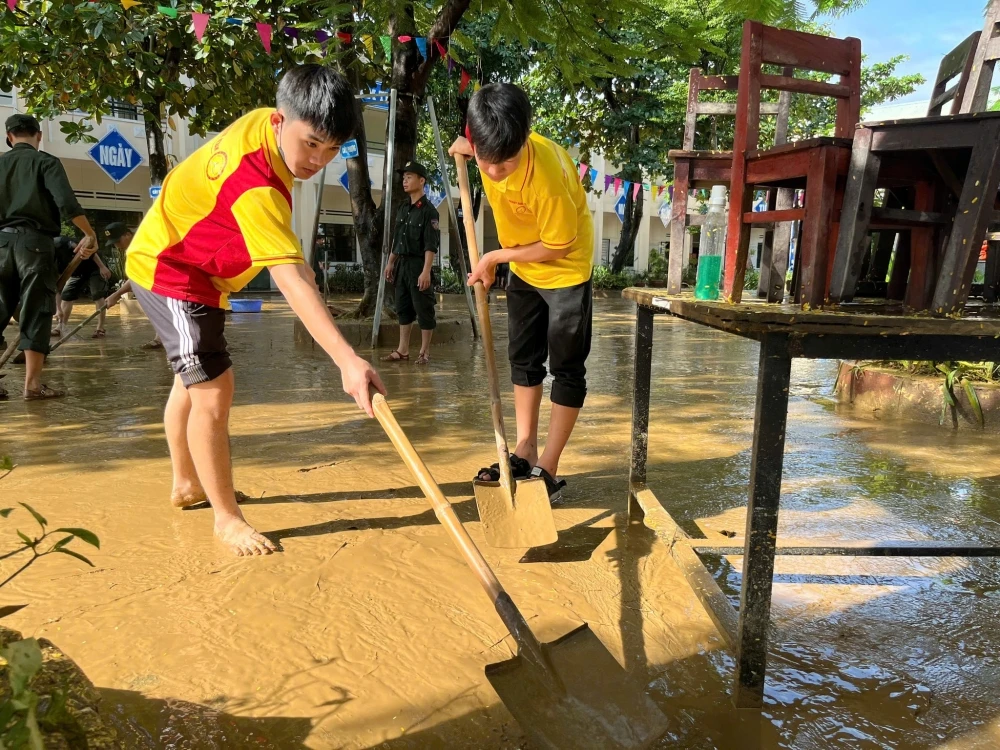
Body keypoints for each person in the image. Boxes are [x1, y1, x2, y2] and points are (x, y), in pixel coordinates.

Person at [125, 65, 385, 556]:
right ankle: (226, 520)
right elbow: (288, 282)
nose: (318, 160)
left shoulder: (268, 124)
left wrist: (299, 267)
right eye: (311, 144)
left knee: (193, 378)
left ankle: (187, 483)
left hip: (205, 269)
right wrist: (348, 362)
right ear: (283, 120)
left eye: (332, 150)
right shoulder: (257, 184)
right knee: (214, 390)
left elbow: (290, 264)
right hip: (172, 269)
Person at [449, 83, 594, 502]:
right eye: (484, 160)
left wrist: (494, 258)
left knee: (566, 366)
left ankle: (548, 465)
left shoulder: (544, 174)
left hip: (564, 266)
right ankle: (525, 449)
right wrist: (466, 150)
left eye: (506, 162)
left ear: (524, 140)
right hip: (524, 266)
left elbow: (559, 244)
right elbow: (469, 147)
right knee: (523, 358)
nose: (494, 172)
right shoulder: (485, 148)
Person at [0, 114, 97, 401]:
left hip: (1, 245)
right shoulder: (46, 162)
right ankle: (32, 385)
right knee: (38, 311)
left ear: (9, 138)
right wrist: (90, 234)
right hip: (35, 245)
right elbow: (67, 203)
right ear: (39, 136)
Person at [382, 161, 439, 365]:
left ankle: (424, 352)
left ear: (421, 180)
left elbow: (430, 245)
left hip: (418, 265)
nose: (404, 180)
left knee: (423, 308)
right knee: (403, 307)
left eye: (409, 177)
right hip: (401, 266)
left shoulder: (429, 211)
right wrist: (390, 263)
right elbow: (397, 240)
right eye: (403, 177)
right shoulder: (403, 208)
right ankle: (402, 350)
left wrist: (425, 272)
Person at [56, 222, 129, 339]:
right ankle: (60, 326)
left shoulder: (62, 243)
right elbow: (57, 288)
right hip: (75, 271)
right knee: (66, 294)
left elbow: (90, 250)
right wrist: (58, 309)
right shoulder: (47, 262)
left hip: (94, 267)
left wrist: (102, 267)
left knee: (97, 294)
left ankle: (100, 328)